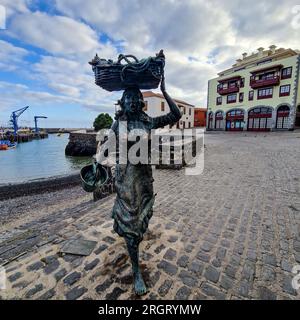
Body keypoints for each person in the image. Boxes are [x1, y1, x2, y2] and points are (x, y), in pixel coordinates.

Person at [96, 74, 182, 295]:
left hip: (144, 180)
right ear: (123, 102)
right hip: (125, 181)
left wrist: (164, 91)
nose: (133, 102)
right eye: (129, 98)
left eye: (136, 98)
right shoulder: (119, 123)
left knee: (142, 221)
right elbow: (106, 147)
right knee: (132, 229)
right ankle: (136, 272)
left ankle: (134, 244)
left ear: (140, 102)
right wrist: (96, 163)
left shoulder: (147, 121)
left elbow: (176, 114)